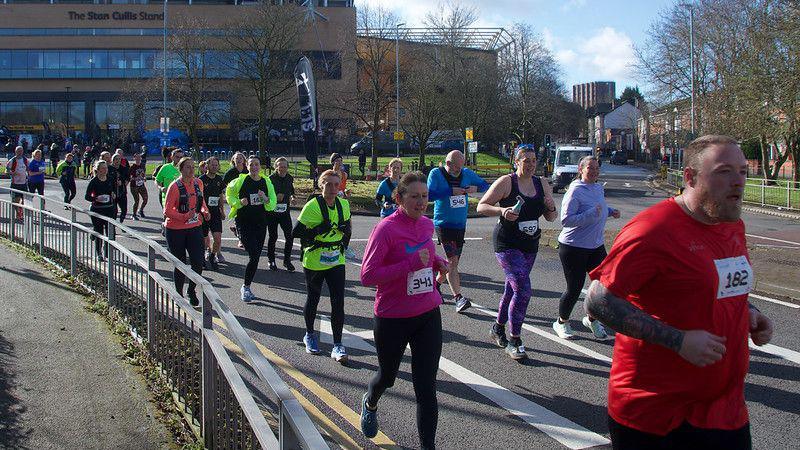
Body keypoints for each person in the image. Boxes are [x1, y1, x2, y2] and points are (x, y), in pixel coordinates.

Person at [584, 135, 774, 449]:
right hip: (656, 414)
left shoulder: (729, 223)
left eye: (742, 171)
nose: (738, 182)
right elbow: (599, 299)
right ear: (690, 177)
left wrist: (750, 313)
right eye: (725, 171)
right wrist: (678, 340)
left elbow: (718, 285)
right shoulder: (653, 230)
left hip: (725, 409)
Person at [359, 171, 449, 449]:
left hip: (426, 313)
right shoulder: (385, 229)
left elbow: (425, 253)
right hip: (392, 317)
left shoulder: (426, 225)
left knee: (426, 388)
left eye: (424, 196)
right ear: (399, 198)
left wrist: (437, 262)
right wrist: (409, 265)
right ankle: (371, 401)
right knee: (388, 377)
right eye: (414, 197)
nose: (421, 202)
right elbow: (367, 275)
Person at [476, 146, 557, 359]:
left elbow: (551, 218)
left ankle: (497, 327)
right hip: (507, 243)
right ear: (516, 162)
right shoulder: (507, 182)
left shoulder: (542, 183)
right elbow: (481, 206)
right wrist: (502, 210)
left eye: (533, 160)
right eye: (525, 160)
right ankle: (515, 339)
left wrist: (550, 206)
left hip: (529, 243)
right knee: (522, 289)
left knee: (512, 289)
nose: (530, 164)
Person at [553, 155, 620, 341]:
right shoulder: (575, 190)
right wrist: (592, 214)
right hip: (573, 247)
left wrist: (609, 211)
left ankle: (591, 319)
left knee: (605, 287)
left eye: (597, 168)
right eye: (590, 168)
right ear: (581, 169)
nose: (594, 171)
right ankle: (561, 322)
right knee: (574, 288)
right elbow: (566, 220)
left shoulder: (598, 187)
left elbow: (598, 208)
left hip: (595, 246)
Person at [292, 169, 351, 362]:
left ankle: (338, 344)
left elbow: (347, 228)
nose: (333, 188)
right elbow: (296, 233)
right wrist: (317, 230)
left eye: (337, 184)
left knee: (338, 301)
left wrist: (344, 239)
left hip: (336, 259)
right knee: (314, 297)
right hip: (315, 259)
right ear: (321, 185)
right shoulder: (312, 206)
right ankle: (309, 334)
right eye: (329, 184)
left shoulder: (344, 205)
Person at [426, 150, 489, 313]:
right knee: (452, 261)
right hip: (443, 224)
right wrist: (450, 191)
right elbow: (429, 194)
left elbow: (486, 186)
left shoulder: (466, 173)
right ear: (448, 164)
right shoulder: (436, 174)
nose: (459, 171)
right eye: (456, 168)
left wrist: (475, 188)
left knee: (452, 263)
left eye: (461, 167)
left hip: (460, 225)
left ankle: (436, 284)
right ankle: (458, 298)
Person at [225, 156, 276, 302]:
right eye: (251, 165)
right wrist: (239, 202)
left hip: (260, 223)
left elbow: (271, 203)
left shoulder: (266, 181)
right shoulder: (240, 181)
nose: (254, 167)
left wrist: (265, 198)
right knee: (253, 255)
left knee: (255, 257)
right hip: (244, 222)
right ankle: (246, 288)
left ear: (260, 167)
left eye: (257, 164)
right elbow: (229, 195)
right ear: (247, 166)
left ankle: (246, 286)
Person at [163, 157, 210, 307]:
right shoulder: (175, 187)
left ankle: (191, 290)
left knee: (197, 262)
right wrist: (184, 216)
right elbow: (167, 211)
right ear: (181, 169)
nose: (191, 170)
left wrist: (205, 211)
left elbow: (200, 202)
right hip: (175, 229)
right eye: (187, 167)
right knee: (180, 263)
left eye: (193, 167)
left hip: (194, 226)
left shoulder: (198, 183)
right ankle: (178, 293)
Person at [267, 157, 296, 272]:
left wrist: (293, 197)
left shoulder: (289, 178)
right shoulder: (270, 179)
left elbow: (291, 191)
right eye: (280, 166)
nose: (282, 168)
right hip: (272, 213)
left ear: (287, 168)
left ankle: (287, 260)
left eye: (285, 166)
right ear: (276, 167)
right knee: (273, 237)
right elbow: (265, 195)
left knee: (290, 236)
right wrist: (275, 197)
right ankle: (271, 260)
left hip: (285, 212)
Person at [85, 160, 116, 261]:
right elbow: (87, 197)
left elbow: (113, 191)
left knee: (109, 232)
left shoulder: (110, 179)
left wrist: (113, 195)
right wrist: (95, 199)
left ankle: (107, 252)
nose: (105, 170)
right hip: (97, 209)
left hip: (109, 208)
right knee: (99, 232)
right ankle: (99, 253)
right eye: (103, 168)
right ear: (97, 170)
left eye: (106, 168)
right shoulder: (94, 181)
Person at [199, 156, 225, 270]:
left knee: (217, 238)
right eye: (212, 165)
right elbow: (199, 198)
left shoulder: (219, 179)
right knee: (204, 237)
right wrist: (204, 211)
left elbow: (220, 195)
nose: (214, 167)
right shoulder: (201, 180)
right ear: (207, 166)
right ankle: (205, 252)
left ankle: (213, 255)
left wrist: (222, 210)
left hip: (215, 212)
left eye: (216, 165)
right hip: (204, 213)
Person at [223, 151, 248, 251]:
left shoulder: (247, 170)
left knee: (245, 218)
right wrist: (229, 192)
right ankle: (241, 239)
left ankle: (236, 228)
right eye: (236, 158)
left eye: (240, 158)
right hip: (235, 198)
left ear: (244, 160)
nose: (238, 160)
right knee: (238, 216)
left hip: (246, 197)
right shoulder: (231, 172)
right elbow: (223, 183)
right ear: (233, 160)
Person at [6, 146, 29, 220]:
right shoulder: (12, 161)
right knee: (16, 201)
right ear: (15, 152)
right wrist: (12, 173)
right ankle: (18, 213)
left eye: (21, 151)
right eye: (18, 151)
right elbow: (6, 171)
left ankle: (21, 212)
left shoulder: (25, 160)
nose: (20, 152)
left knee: (25, 200)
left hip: (23, 183)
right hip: (15, 183)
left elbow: (28, 169)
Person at [111, 152, 129, 222]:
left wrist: (124, 183)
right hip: (113, 192)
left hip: (122, 191)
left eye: (119, 159)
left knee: (124, 210)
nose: (117, 161)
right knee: (114, 211)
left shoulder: (124, 168)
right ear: (113, 160)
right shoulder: (110, 169)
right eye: (116, 159)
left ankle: (121, 222)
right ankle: (113, 227)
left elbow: (127, 178)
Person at [129, 152, 148, 220]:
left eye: (139, 157)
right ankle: (134, 214)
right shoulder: (132, 167)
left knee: (145, 198)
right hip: (134, 186)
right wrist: (135, 179)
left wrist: (144, 178)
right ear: (134, 158)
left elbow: (143, 174)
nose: (138, 159)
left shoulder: (142, 165)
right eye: (136, 157)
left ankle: (140, 210)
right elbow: (129, 178)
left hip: (141, 185)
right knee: (136, 200)